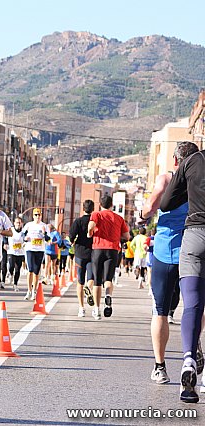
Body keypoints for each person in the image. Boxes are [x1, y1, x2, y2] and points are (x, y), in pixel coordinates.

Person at [140, 141, 199, 385]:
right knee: (195, 305)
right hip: (193, 250)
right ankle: (193, 349)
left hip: (165, 251)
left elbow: (149, 208)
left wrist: (145, 214)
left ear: (176, 160)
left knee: (160, 310)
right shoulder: (198, 182)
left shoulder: (165, 180)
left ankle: (160, 366)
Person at [160, 144, 205, 403]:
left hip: (195, 235)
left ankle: (188, 359)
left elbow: (166, 203)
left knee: (192, 305)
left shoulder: (191, 162)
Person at [87, 194, 129, 320]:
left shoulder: (97, 214)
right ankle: (108, 296)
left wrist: (90, 234)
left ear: (100, 204)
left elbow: (91, 226)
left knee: (97, 281)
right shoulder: (119, 218)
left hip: (98, 249)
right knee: (108, 279)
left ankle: (97, 310)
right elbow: (127, 236)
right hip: (113, 250)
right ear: (112, 205)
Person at [69, 200, 95, 317]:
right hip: (93, 253)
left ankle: (81, 308)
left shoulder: (78, 222)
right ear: (93, 209)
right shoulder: (95, 222)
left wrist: (72, 242)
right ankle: (88, 288)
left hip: (79, 253)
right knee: (91, 278)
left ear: (83, 209)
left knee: (79, 281)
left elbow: (71, 237)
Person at [22, 208, 48, 300]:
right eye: (36, 215)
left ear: (41, 216)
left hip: (40, 250)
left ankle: (34, 290)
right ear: (33, 216)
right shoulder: (29, 225)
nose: (37, 217)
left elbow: (48, 239)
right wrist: (25, 238)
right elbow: (22, 235)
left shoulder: (44, 226)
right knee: (30, 270)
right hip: (30, 249)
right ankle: (29, 290)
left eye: (39, 215)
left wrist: (44, 233)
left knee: (36, 272)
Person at [7, 216, 26, 292]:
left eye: (19, 223)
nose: (18, 224)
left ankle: (15, 284)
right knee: (11, 266)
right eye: (17, 222)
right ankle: (10, 274)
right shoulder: (11, 230)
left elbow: (27, 238)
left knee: (18, 269)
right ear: (14, 223)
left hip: (20, 252)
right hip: (11, 251)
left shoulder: (24, 232)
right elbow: (5, 236)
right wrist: (5, 243)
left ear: (22, 223)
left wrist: (26, 242)